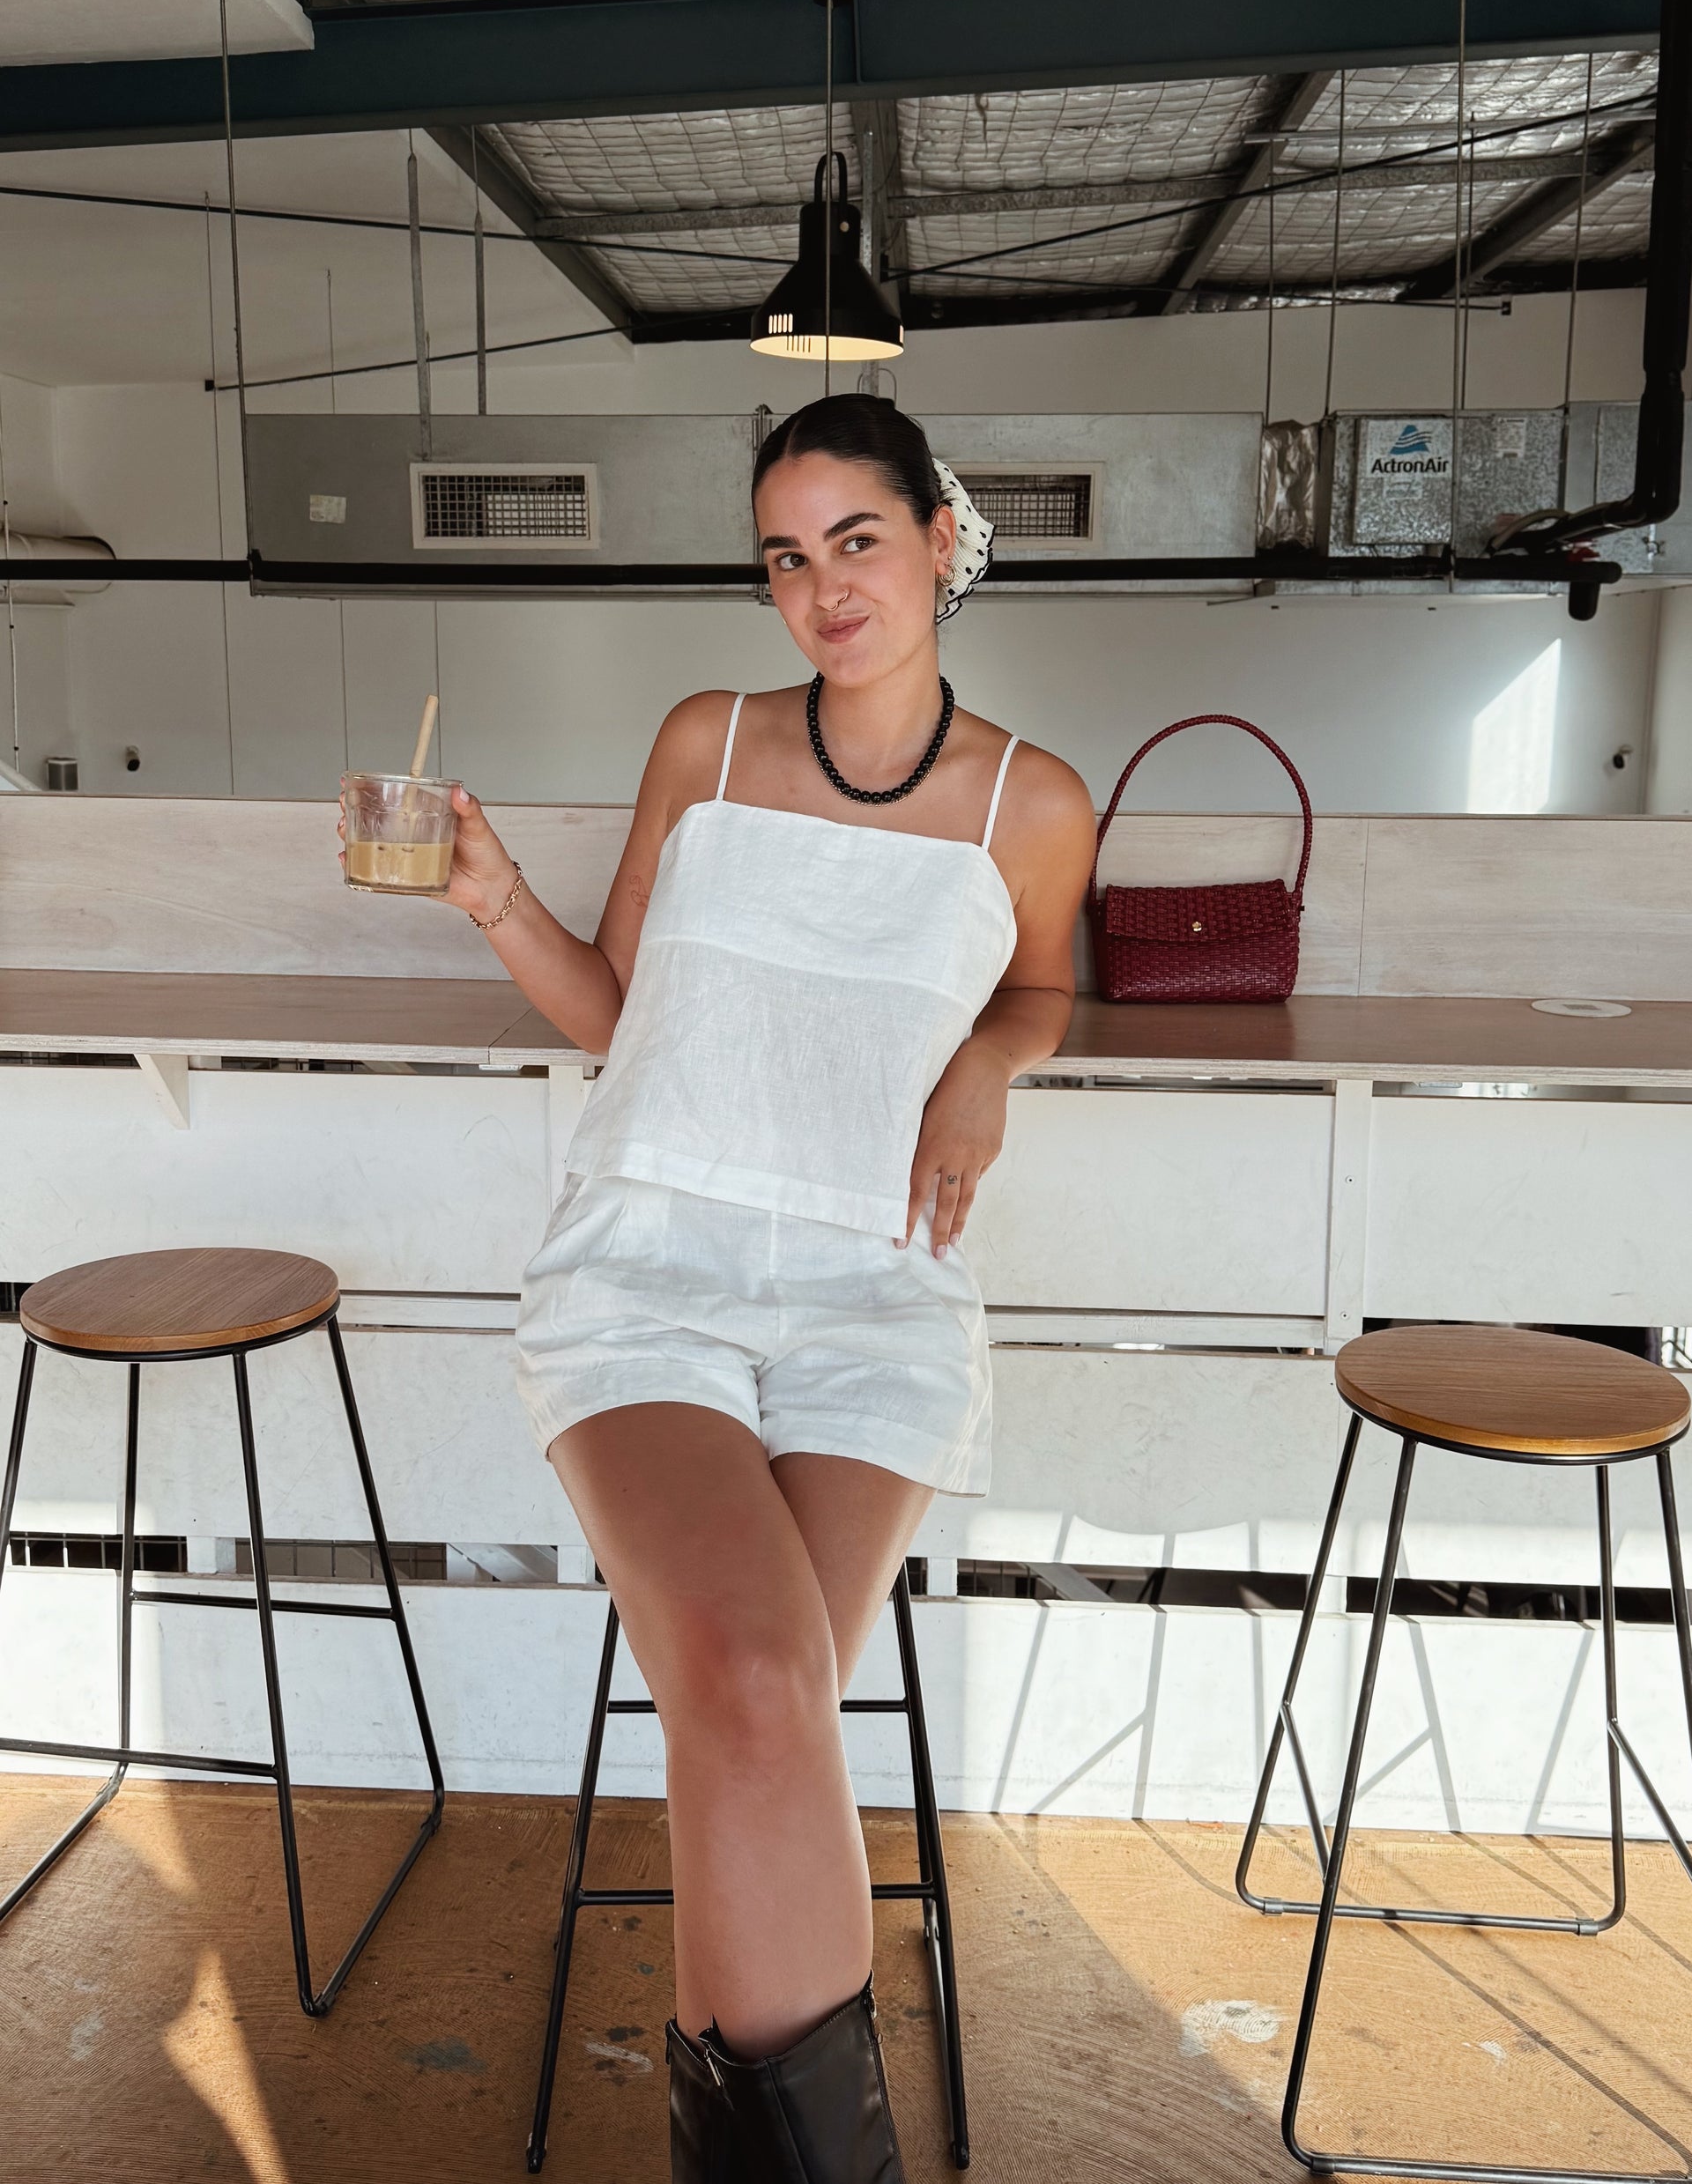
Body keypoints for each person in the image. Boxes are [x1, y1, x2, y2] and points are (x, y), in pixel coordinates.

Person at [422, 396, 1091, 2179]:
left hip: (876, 1290)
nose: (822, 588)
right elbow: (618, 1012)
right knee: (751, 1676)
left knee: (755, 1723)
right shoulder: (705, 742)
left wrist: (991, 1061)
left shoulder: (1032, 801)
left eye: (856, 540)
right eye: (785, 557)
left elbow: (1042, 987)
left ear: (939, 537)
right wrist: (494, 897)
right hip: (651, 1271)